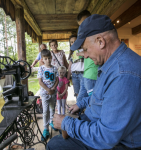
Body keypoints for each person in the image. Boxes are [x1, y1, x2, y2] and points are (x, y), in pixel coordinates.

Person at [47, 14, 141, 150]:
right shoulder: (111, 64)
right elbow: (99, 97)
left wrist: (67, 123)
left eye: (85, 49)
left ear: (100, 42)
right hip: (95, 124)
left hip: (116, 143)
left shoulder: (123, 74)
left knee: (54, 145)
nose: (85, 55)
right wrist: (81, 104)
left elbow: (106, 137)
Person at [37, 49, 59, 141]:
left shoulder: (54, 68)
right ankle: (45, 129)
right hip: (45, 93)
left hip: (53, 93)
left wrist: (53, 88)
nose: (48, 60)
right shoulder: (41, 68)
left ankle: (51, 122)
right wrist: (48, 89)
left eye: (49, 58)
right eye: (46, 59)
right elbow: (40, 81)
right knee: (45, 111)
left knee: (52, 108)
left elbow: (57, 79)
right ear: (42, 59)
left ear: (51, 58)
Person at [67, 35, 88, 101]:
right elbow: (69, 67)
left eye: (75, 41)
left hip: (83, 74)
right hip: (74, 75)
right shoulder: (72, 53)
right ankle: (79, 109)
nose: (73, 43)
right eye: (71, 42)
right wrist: (67, 79)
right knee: (77, 93)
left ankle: (85, 108)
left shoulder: (84, 50)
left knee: (84, 92)